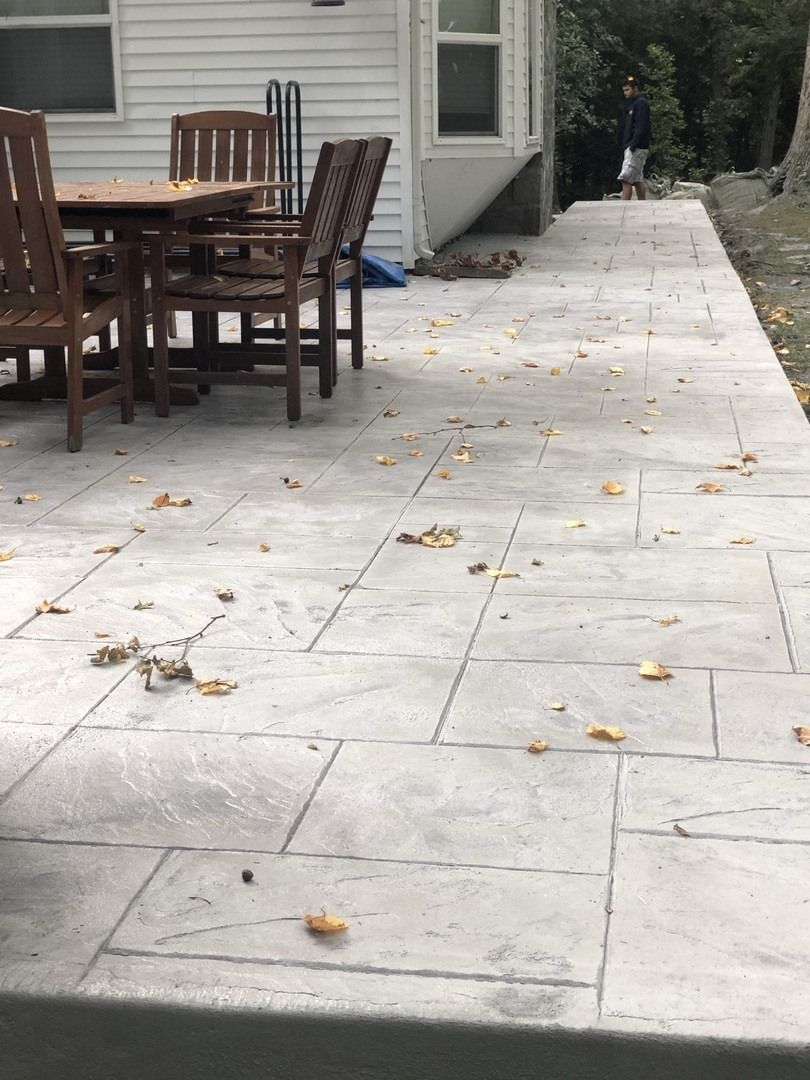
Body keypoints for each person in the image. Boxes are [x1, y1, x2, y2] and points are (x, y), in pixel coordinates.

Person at [618, 76, 651, 200]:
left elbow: (641, 126)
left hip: (636, 147)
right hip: (635, 146)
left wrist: (633, 145)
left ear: (635, 88)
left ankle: (623, 207)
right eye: (624, 90)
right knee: (637, 179)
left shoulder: (641, 104)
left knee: (625, 178)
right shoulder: (632, 105)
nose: (625, 93)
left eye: (627, 90)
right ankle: (642, 204)